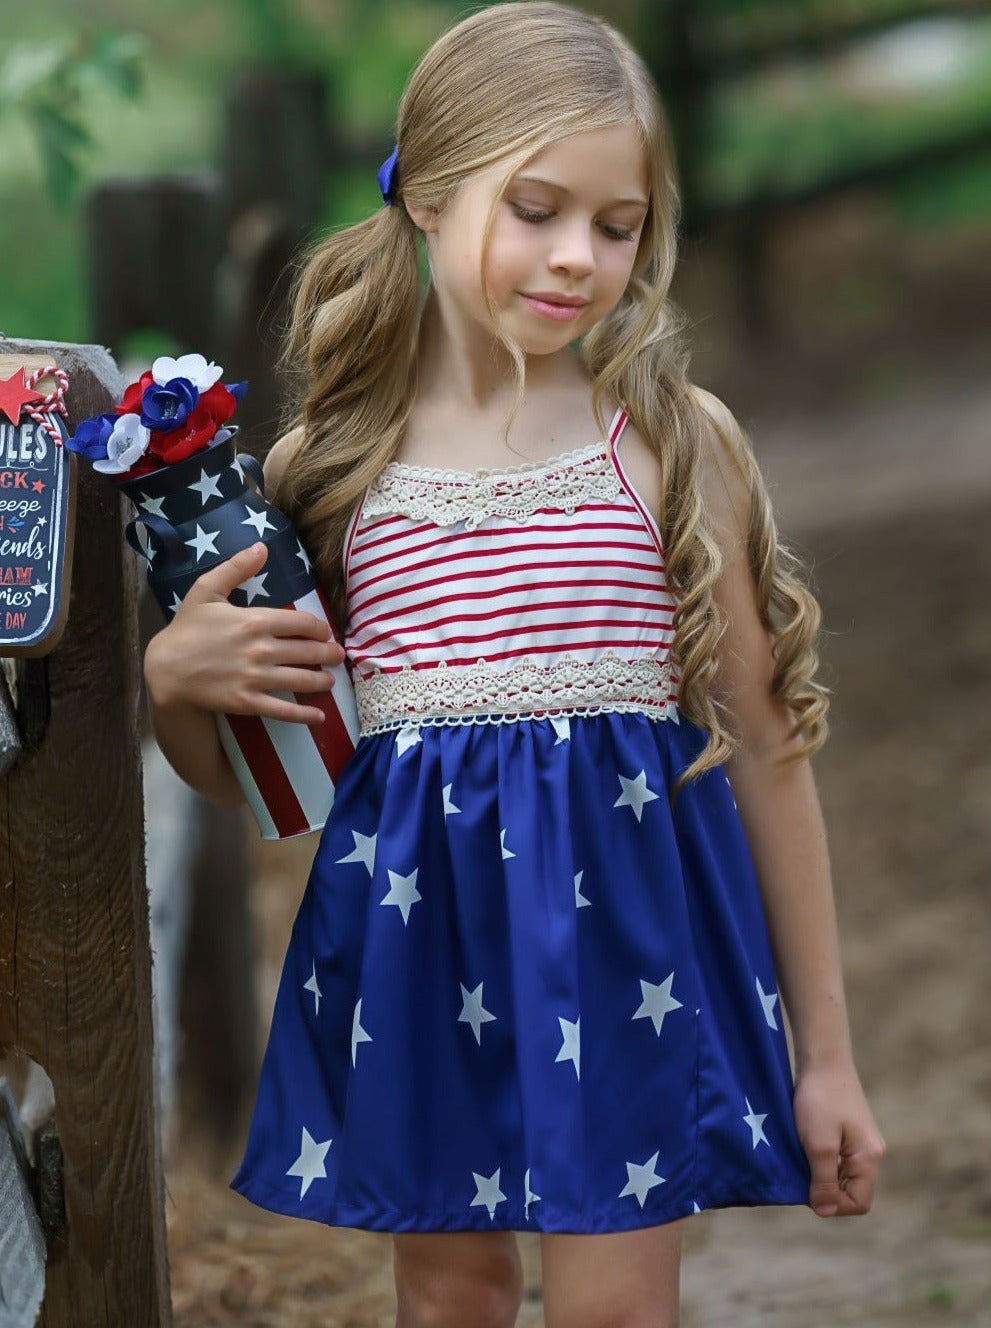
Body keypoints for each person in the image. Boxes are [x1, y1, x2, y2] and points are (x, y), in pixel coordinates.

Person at [144, 3, 885, 1324]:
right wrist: (177, 684)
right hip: (416, 956)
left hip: (625, 959)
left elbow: (767, 747)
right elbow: (263, 783)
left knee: (612, 1311)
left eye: (619, 225)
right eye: (536, 210)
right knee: (452, 1306)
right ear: (427, 196)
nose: (578, 259)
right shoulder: (333, 472)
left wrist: (825, 1060)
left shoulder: (667, 442)